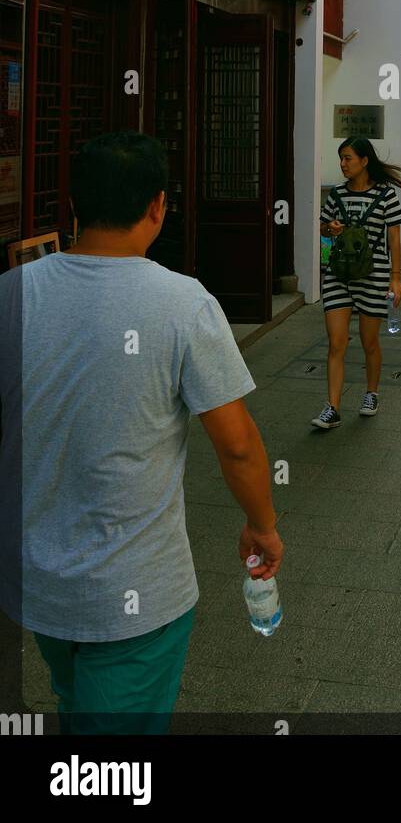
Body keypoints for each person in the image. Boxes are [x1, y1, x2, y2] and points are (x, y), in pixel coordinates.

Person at [0, 131, 283, 736]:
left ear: (72, 206)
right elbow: (237, 444)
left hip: (39, 583)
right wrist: (261, 525)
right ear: (158, 207)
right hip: (136, 593)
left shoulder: (13, 292)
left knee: (77, 707)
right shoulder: (182, 304)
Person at [317, 137, 401, 430]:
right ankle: (332, 407)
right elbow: (323, 231)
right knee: (336, 342)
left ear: (364, 161)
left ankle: (371, 393)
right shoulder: (336, 195)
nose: (343, 164)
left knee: (369, 341)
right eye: (341, 158)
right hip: (338, 276)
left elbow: (394, 237)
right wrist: (329, 230)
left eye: (348, 158)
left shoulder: (385, 195)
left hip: (374, 275)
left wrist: (395, 278)